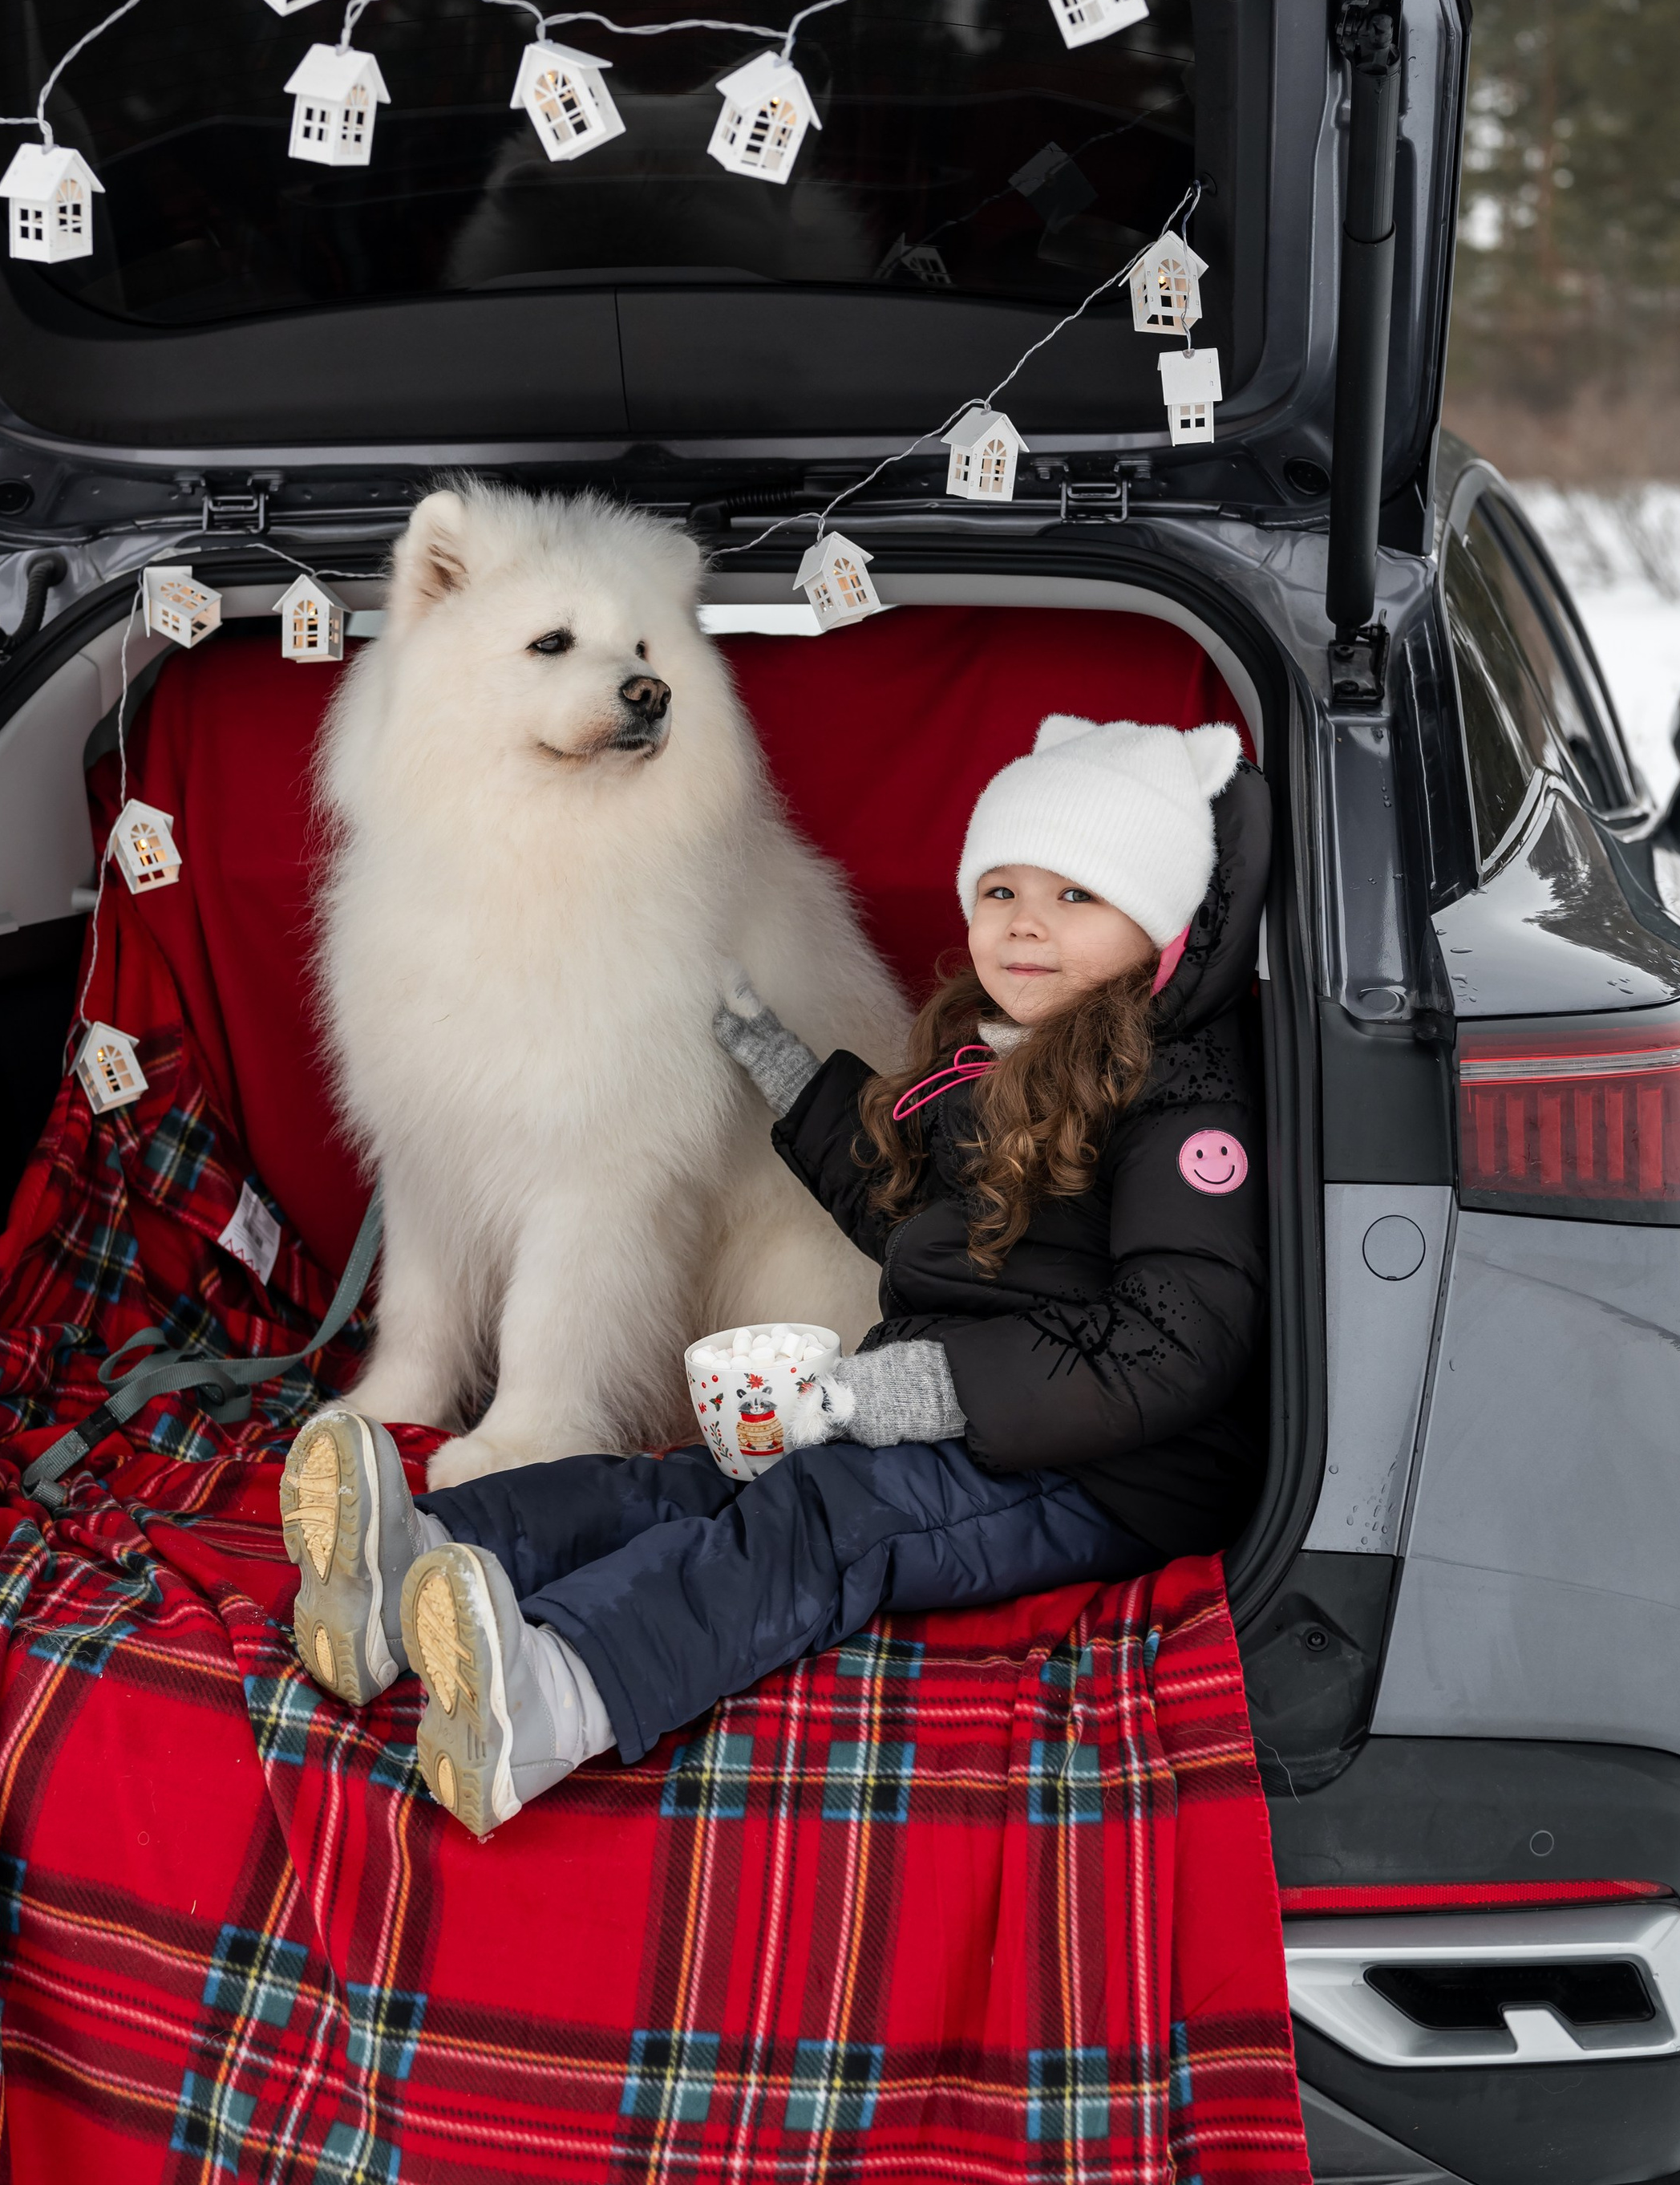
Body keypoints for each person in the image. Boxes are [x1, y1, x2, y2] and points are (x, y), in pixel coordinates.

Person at [281, 712, 1270, 1839]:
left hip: (1109, 1475)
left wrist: (914, 1393)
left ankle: (560, 1697)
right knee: (702, 1483)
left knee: (824, 1512)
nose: (1025, 926)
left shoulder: (1183, 1104)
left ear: (1161, 922)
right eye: (1002, 890)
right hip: (972, 1413)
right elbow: (899, 1211)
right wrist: (773, 1059)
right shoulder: (1000, 1054)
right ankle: (415, 1559)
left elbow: (1171, 1347)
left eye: (1076, 895)